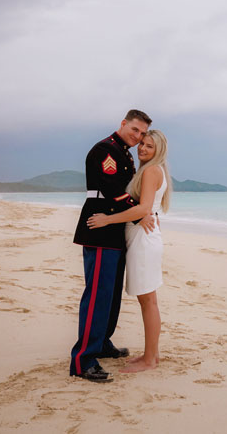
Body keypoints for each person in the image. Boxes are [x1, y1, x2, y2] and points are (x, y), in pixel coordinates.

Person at [69, 109, 156, 383]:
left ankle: (102, 342)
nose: (138, 136)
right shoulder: (106, 150)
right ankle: (83, 359)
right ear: (123, 124)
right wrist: (141, 212)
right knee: (97, 296)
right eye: (135, 130)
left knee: (111, 294)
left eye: (142, 134)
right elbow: (114, 192)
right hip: (100, 227)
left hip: (114, 230)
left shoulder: (125, 154)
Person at [87, 129, 171, 373]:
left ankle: (150, 360)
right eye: (142, 144)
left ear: (159, 151)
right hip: (144, 237)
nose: (142, 148)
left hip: (143, 240)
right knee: (149, 300)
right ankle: (151, 356)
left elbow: (142, 209)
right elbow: (146, 209)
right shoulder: (152, 170)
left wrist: (107, 220)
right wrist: (143, 214)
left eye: (149, 146)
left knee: (148, 301)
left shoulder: (151, 171)